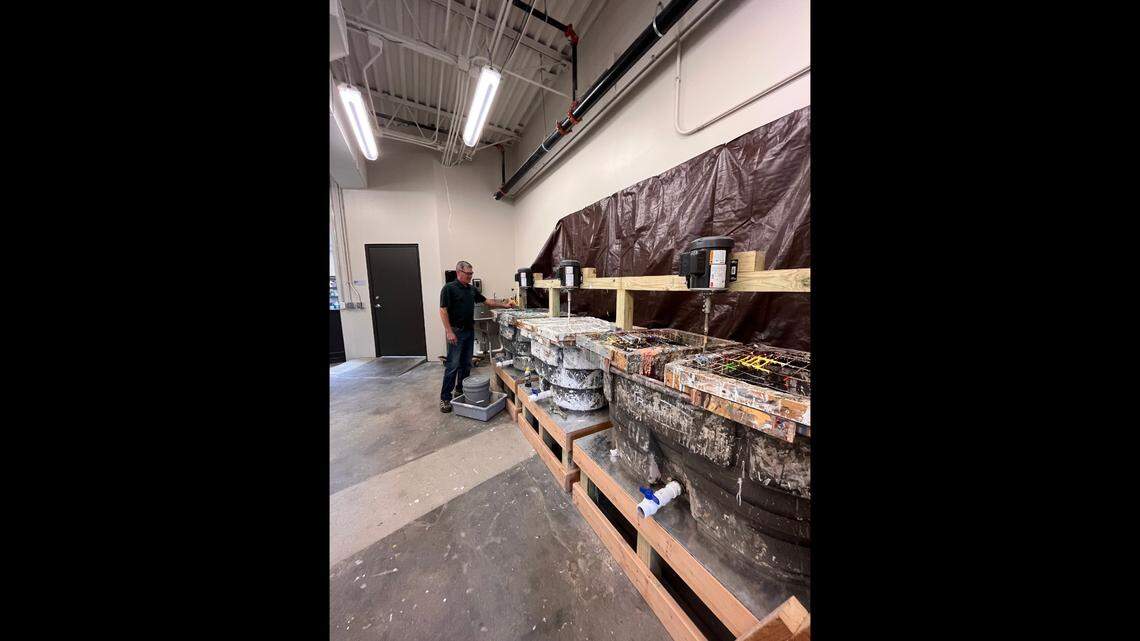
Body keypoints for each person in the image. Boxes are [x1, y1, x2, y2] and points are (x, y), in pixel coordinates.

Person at [439, 261, 516, 413]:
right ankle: (445, 398)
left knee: (466, 364)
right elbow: (443, 310)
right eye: (468, 274)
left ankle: (460, 390)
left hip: (469, 331)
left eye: (471, 274)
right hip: (456, 331)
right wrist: (449, 331)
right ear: (459, 272)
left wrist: (505, 304)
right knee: (452, 366)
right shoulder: (449, 288)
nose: (470, 276)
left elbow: (487, 301)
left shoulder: (471, 289)